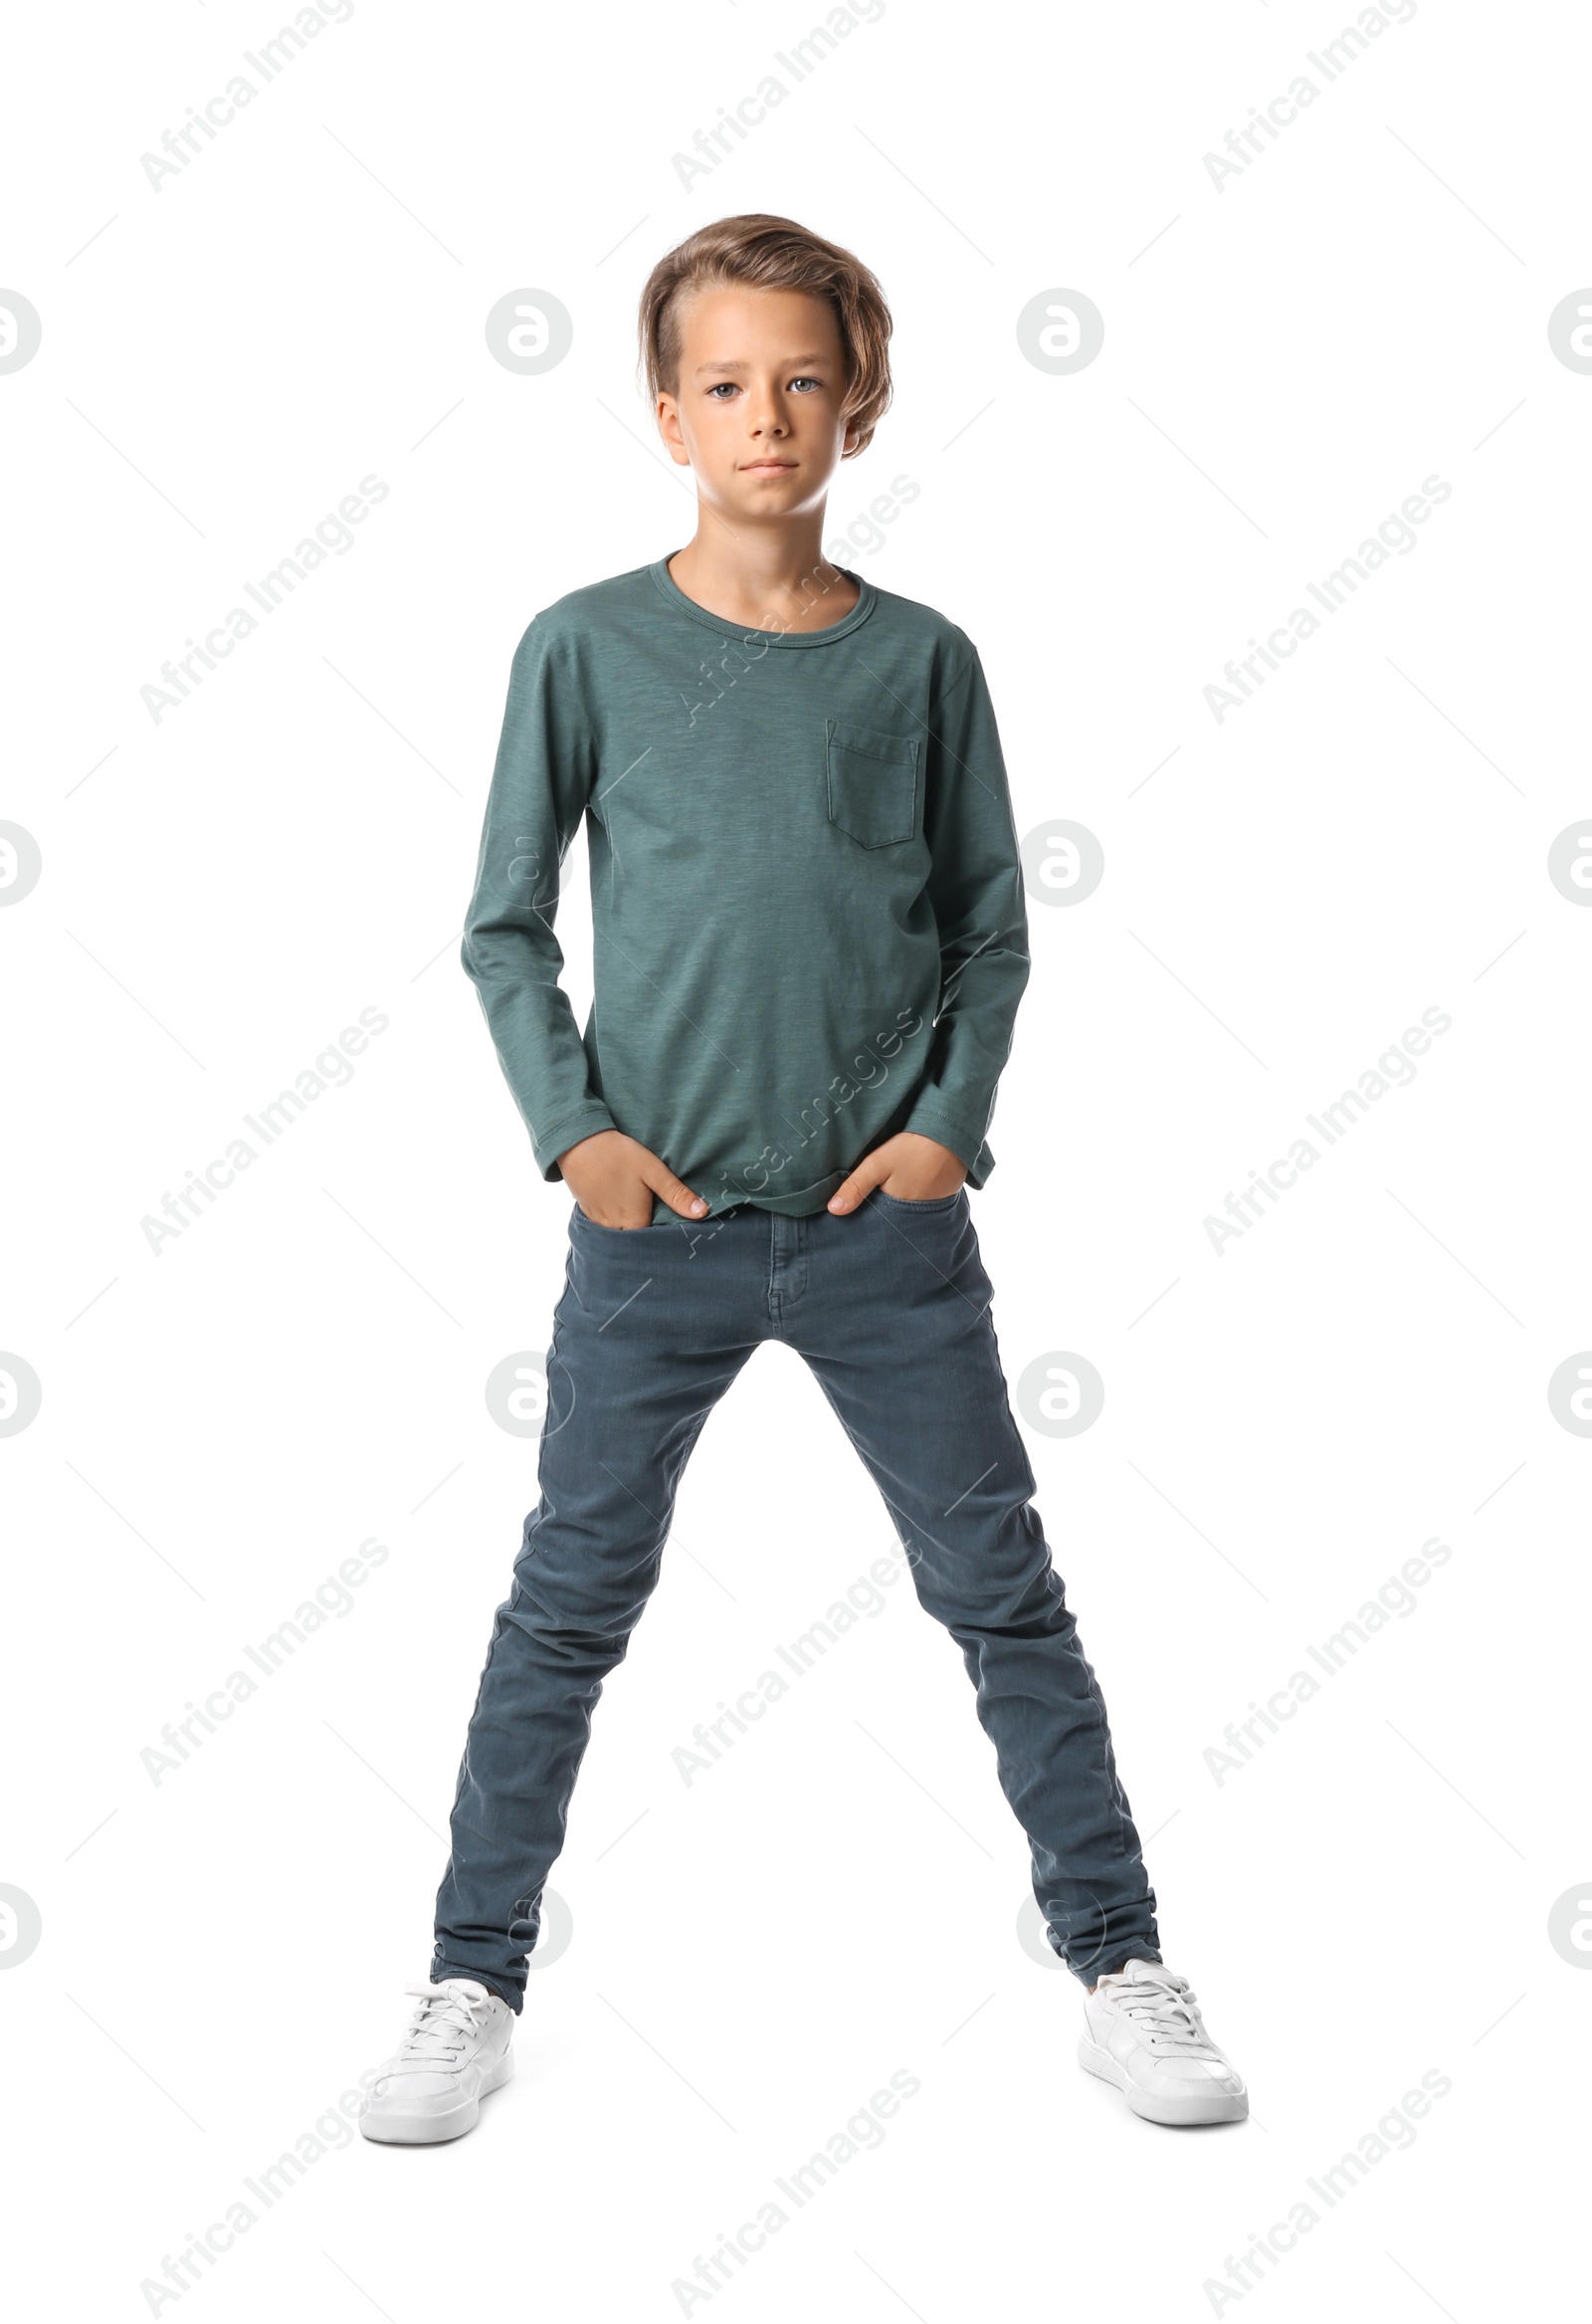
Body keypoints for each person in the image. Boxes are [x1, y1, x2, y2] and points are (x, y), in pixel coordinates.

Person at [359, 213, 1246, 2146]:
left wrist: (940, 1131)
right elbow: (504, 927)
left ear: (859, 404)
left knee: (999, 1594)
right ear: (666, 409)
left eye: (803, 381)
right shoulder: (582, 646)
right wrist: (575, 1137)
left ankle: (1117, 1962)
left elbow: (990, 933)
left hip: (882, 1236)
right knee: (565, 1604)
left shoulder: (918, 664)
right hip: (654, 1234)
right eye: (726, 384)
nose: (767, 416)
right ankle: (467, 1974)